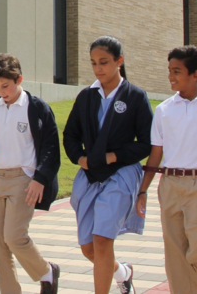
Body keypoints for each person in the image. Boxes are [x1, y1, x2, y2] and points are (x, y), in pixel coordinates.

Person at [135, 46, 197, 294]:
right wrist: (143, 190)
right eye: (169, 70)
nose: (170, 76)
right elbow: (156, 154)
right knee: (175, 253)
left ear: (195, 74)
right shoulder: (164, 109)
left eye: (177, 71)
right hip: (169, 184)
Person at [63, 36, 153, 294]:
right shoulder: (86, 97)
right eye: (93, 63)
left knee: (103, 241)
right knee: (88, 248)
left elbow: (146, 143)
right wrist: (80, 158)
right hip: (90, 175)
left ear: (119, 61)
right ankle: (123, 272)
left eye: (103, 62)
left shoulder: (136, 96)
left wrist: (114, 157)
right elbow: (70, 135)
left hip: (121, 174)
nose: (98, 68)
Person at [0, 53, 62, 294]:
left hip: (23, 180)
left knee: (13, 237)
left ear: (19, 79)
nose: (1, 92)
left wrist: (40, 179)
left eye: (5, 85)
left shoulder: (37, 108)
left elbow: (51, 148)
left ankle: (46, 272)